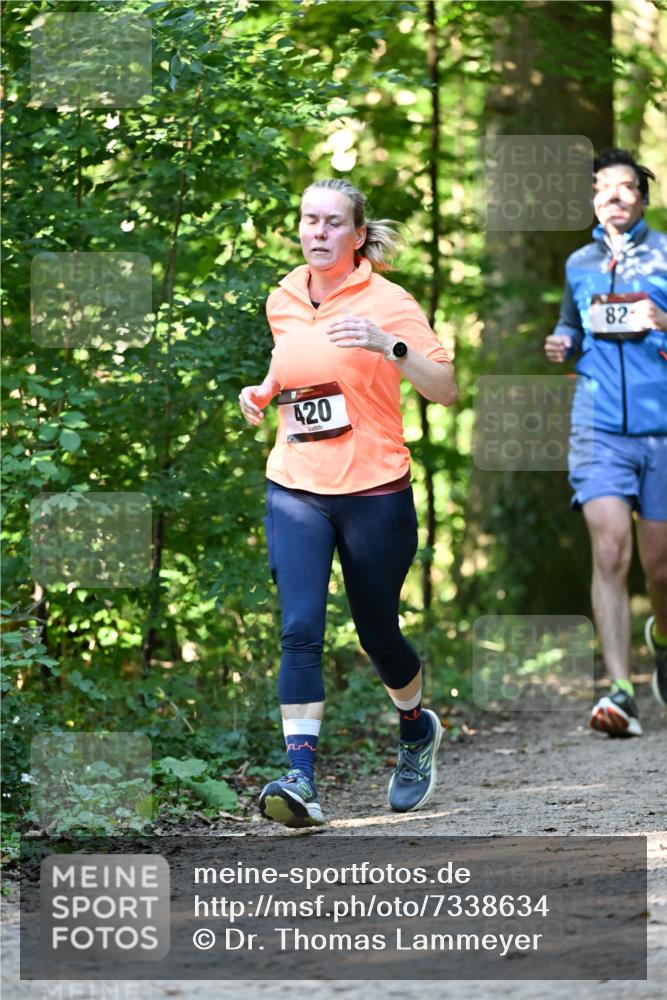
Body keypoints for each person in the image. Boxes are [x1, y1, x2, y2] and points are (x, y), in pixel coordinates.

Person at [239, 178, 457, 827]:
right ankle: (299, 780)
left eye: (334, 223)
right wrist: (262, 391)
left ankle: (415, 730)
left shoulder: (388, 300)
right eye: (310, 219)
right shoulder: (281, 296)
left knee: (376, 633)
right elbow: (293, 368)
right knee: (299, 629)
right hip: (296, 485)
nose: (319, 232)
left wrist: (386, 345)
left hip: (374, 491)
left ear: (358, 236)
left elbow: (444, 387)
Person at [545, 148, 667, 736]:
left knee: (660, 568)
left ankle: (661, 641)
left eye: (623, 189)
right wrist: (562, 342)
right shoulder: (579, 263)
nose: (611, 198)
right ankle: (620, 691)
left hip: (663, 431)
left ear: (642, 198)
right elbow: (571, 323)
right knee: (611, 551)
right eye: (601, 190)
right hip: (597, 428)